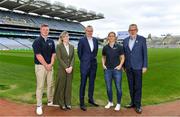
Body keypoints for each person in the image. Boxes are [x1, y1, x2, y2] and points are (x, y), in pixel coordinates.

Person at [123, 24, 148, 113]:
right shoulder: (125, 40)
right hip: (128, 67)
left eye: (134, 30)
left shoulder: (142, 39)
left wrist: (145, 66)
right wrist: (123, 66)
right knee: (131, 86)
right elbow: (124, 54)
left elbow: (145, 53)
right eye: (130, 30)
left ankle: (138, 105)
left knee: (138, 86)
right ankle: (132, 102)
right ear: (128, 31)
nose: (132, 31)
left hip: (138, 67)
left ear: (137, 30)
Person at [32, 24, 56, 115]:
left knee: (50, 84)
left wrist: (51, 64)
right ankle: (39, 105)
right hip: (41, 67)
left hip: (50, 66)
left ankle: (50, 101)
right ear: (40, 30)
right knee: (40, 86)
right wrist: (46, 65)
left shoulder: (51, 41)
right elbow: (38, 55)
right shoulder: (37, 41)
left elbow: (54, 53)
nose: (46, 31)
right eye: (44, 29)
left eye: (47, 30)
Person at [102, 32, 125, 111]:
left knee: (118, 87)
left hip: (116, 70)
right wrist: (103, 64)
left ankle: (118, 103)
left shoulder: (119, 47)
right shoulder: (105, 47)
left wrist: (120, 65)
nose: (111, 37)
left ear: (115, 37)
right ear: (108, 37)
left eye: (113, 36)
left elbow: (122, 57)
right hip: (107, 70)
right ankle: (110, 102)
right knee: (108, 87)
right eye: (110, 36)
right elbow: (103, 57)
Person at [77, 25, 99, 111]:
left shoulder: (95, 40)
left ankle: (91, 99)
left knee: (91, 84)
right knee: (83, 84)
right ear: (85, 31)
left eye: (91, 31)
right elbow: (79, 53)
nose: (90, 32)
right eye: (88, 31)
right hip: (85, 66)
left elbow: (95, 52)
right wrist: (84, 61)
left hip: (93, 66)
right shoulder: (82, 40)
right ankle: (82, 103)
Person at [53, 31, 75, 111]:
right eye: (65, 36)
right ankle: (61, 103)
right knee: (62, 86)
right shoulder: (59, 46)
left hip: (70, 69)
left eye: (68, 36)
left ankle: (68, 103)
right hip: (62, 69)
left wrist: (71, 66)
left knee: (68, 87)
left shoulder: (72, 46)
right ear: (62, 38)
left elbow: (73, 58)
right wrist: (66, 67)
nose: (67, 38)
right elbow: (59, 58)